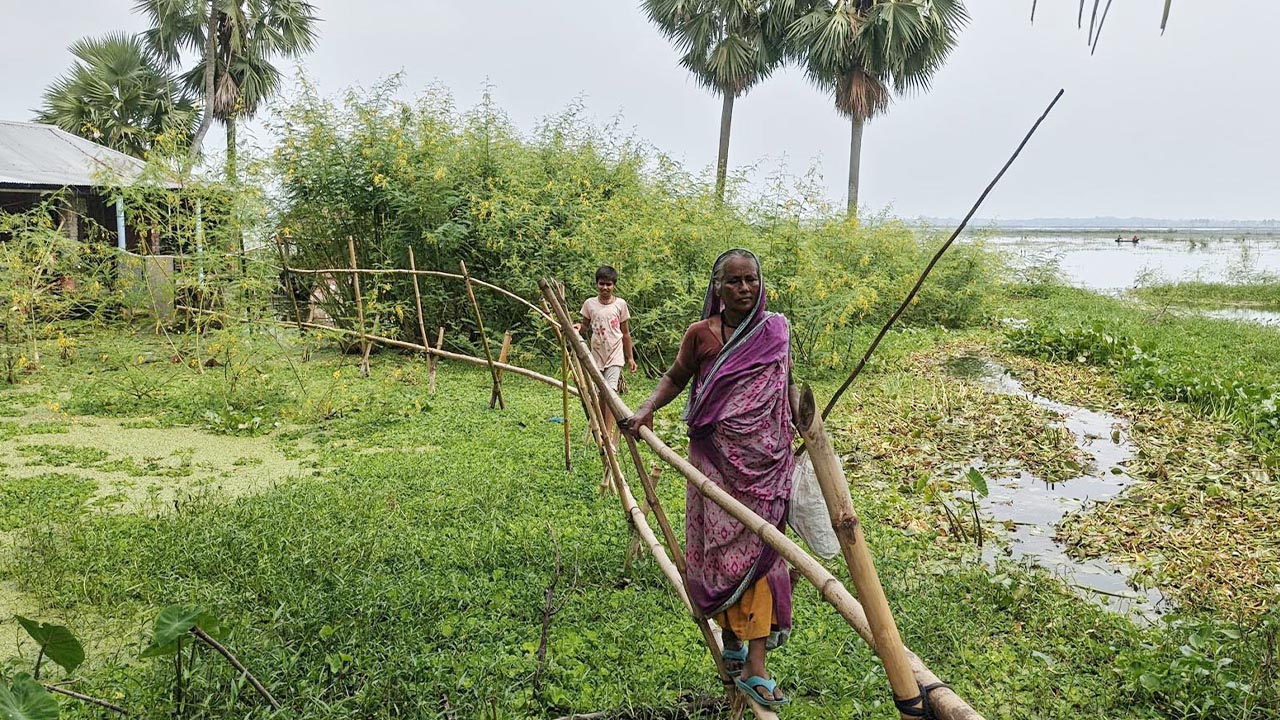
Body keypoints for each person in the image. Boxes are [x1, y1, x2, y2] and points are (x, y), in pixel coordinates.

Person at [622, 249, 797, 707]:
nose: (744, 288)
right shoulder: (700, 335)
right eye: (734, 281)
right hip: (714, 465)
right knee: (720, 554)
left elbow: (786, 386)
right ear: (716, 288)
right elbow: (676, 377)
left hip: (766, 467)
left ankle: (756, 667)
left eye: (751, 280)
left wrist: (806, 426)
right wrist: (643, 411)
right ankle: (732, 639)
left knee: (763, 555)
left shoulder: (774, 332)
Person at [577, 265, 637, 450]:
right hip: (596, 355)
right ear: (597, 284)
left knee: (610, 392)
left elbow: (625, 333)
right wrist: (578, 328)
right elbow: (585, 326)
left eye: (608, 284)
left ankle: (608, 435)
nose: (605, 288)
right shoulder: (589, 304)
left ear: (614, 286)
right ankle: (602, 429)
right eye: (602, 284)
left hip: (615, 354)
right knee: (600, 392)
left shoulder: (620, 305)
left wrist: (630, 357)